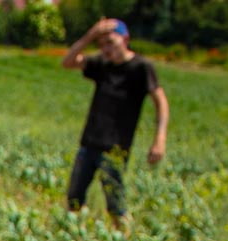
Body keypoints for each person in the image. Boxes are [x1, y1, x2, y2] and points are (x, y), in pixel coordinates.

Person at [60, 18, 169, 226]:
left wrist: (160, 139)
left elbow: (161, 101)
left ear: (125, 39)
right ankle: (74, 236)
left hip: (116, 148)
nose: (105, 49)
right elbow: (68, 62)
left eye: (110, 42)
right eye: (101, 44)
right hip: (90, 143)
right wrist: (90, 35)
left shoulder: (141, 67)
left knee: (115, 204)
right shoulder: (102, 64)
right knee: (74, 198)